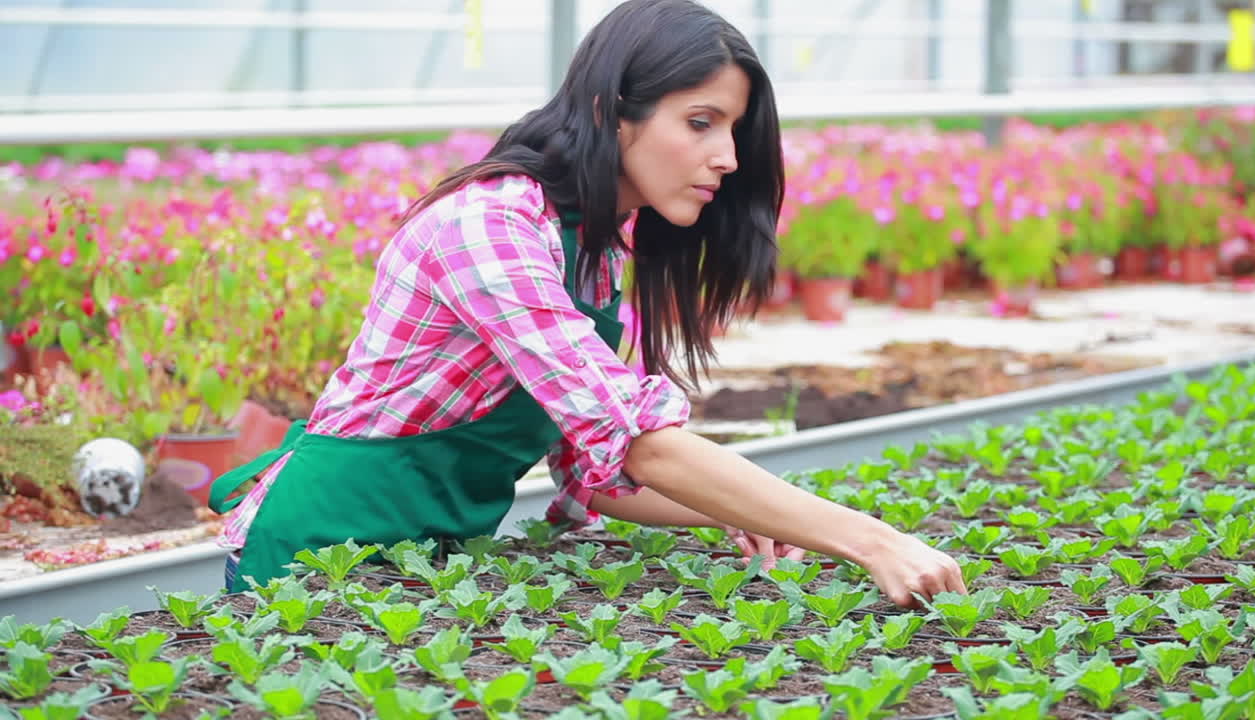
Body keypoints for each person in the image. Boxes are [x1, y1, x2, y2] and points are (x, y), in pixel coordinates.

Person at [209, 0, 966, 607]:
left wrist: (750, 512)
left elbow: (596, 473)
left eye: (733, 130)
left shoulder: (595, 251)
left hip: (425, 570)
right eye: (701, 123)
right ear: (613, 111)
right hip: (315, 561)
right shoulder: (493, 227)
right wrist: (871, 540)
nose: (728, 158)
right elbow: (635, 440)